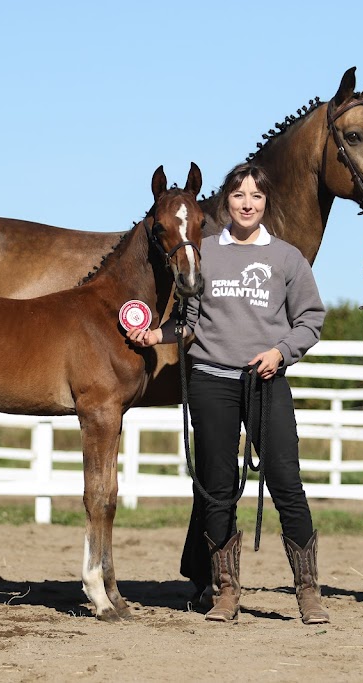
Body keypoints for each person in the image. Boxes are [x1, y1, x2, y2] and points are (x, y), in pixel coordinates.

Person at [127, 162, 329, 624]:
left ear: (265, 204)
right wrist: (155, 337)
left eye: (256, 197)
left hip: (266, 382)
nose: (247, 204)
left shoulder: (287, 258)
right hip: (212, 382)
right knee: (217, 491)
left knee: (287, 484)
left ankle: (308, 590)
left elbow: (310, 320)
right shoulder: (207, 253)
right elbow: (189, 320)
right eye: (239, 196)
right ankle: (226, 591)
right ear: (226, 203)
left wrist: (281, 352)